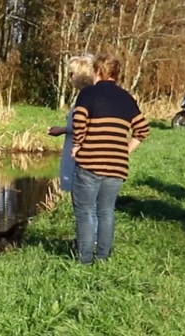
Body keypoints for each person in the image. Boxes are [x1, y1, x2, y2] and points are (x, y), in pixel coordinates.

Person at [69, 54, 150, 264]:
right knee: (106, 212)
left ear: (97, 72)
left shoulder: (88, 94)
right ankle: (103, 258)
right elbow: (142, 130)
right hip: (116, 166)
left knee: (85, 211)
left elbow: (79, 121)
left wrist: (78, 145)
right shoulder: (126, 97)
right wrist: (124, 150)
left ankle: (85, 260)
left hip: (89, 163)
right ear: (117, 74)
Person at [47, 55, 96, 193]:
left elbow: (86, 125)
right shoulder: (85, 96)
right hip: (76, 149)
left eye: (72, 74)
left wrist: (62, 130)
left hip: (80, 153)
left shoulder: (87, 97)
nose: (70, 78)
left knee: (83, 200)